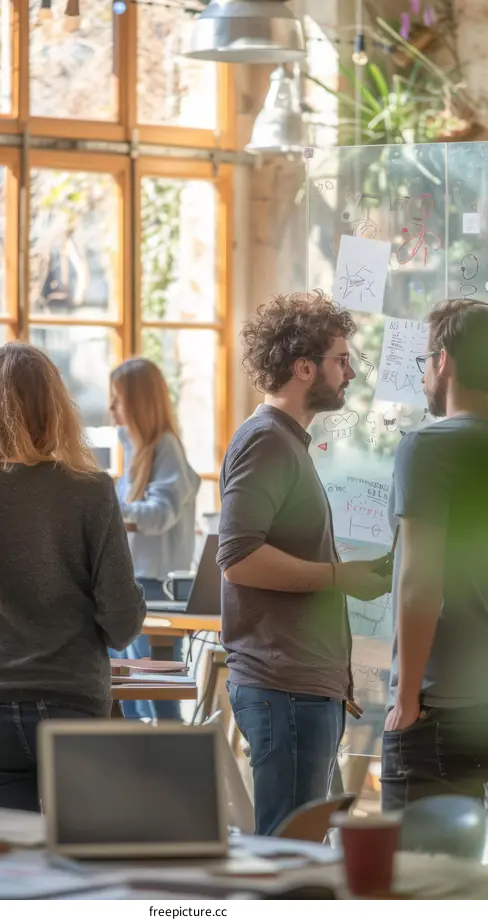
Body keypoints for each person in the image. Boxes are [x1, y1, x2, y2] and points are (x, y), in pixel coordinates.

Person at [0, 342, 146, 811]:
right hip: (74, 707)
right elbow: (123, 623)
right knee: (82, 873)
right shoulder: (92, 490)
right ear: (56, 405)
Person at [217, 291, 392, 836]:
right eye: (342, 360)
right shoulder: (267, 441)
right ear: (303, 367)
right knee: (287, 861)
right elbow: (238, 558)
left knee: (295, 852)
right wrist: (340, 578)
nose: (350, 373)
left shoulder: (285, 441)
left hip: (297, 685)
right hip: (284, 686)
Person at [382, 299, 488, 810]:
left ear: (443, 361)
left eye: (425, 359)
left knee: (417, 884)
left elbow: (422, 582)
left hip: (441, 708)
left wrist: (405, 698)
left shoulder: (428, 447)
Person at [109, 357, 200, 720]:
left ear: (138, 401)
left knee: (158, 697)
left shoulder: (166, 449)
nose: (111, 406)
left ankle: (170, 771)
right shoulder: (135, 447)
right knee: (129, 695)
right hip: (131, 585)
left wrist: (110, 509)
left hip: (156, 589)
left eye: (117, 398)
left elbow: (160, 515)